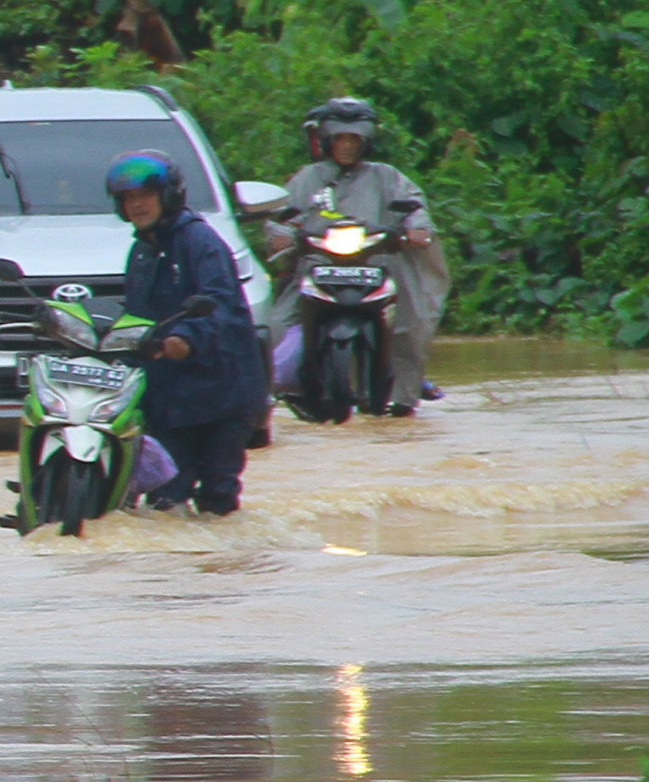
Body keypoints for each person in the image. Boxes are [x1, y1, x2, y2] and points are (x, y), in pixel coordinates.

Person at [108, 152, 264, 515]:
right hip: (169, 397)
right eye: (129, 198)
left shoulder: (200, 241)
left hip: (221, 393)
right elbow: (137, 318)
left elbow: (219, 301)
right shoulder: (141, 252)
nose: (138, 205)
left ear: (167, 196)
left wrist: (186, 339)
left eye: (145, 195)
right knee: (166, 500)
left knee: (217, 499)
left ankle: (224, 566)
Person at [277, 96, 447, 413]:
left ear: (366, 140)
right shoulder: (307, 178)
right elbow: (281, 216)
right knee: (273, 323)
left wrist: (415, 229)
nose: (346, 145)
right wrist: (282, 236)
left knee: (413, 319)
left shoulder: (387, 176)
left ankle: (404, 389)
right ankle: (282, 389)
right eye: (340, 137)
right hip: (317, 269)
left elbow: (415, 207)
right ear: (327, 139)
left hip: (376, 268)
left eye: (354, 138)